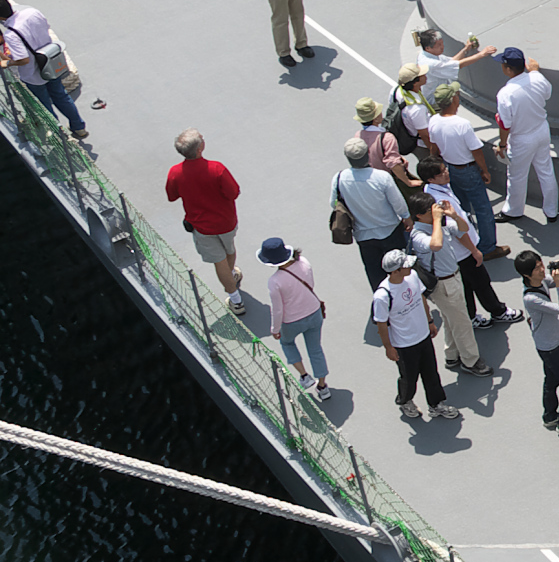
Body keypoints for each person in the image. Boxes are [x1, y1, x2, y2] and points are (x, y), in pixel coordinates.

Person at [414, 158, 511, 371]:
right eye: (441, 172)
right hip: (447, 277)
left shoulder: (439, 196)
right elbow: (439, 242)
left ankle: (451, 355)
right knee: (462, 322)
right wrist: (472, 249)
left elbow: (460, 228)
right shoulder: (421, 233)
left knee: (452, 319)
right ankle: (471, 360)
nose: (447, 172)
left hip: (453, 271)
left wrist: (454, 216)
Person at [167, 129, 245, 317]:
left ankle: (236, 301)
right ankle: (231, 277)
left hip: (202, 228)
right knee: (229, 251)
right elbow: (233, 192)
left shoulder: (175, 172)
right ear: (200, 149)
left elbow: (172, 196)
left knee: (219, 261)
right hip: (226, 222)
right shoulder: (217, 169)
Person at [511, 250, 559, 437]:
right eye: (537, 268)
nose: (542, 270)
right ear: (526, 275)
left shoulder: (542, 281)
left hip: (552, 342)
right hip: (550, 348)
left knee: (551, 380)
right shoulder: (531, 299)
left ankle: (550, 415)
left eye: (541, 265)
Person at [427, 83, 505, 261]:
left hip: (450, 169)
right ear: (453, 99)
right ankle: (487, 247)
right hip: (468, 170)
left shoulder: (433, 121)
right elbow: (476, 151)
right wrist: (484, 171)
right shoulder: (462, 124)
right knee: (483, 210)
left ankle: (468, 242)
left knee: (461, 208)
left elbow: (434, 148)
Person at [253, 237, 338, 398]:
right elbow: (311, 284)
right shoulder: (304, 262)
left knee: (287, 343)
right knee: (315, 349)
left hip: (291, 321)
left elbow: (277, 310)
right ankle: (323, 387)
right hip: (314, 312)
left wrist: (275, 329)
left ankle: (305, 376)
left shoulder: (274, 281)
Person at [375, 249, 453, 421]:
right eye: (405, 265)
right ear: (395, 271)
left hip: (423, 336)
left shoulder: (413, 276)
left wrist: (430, 321)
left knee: (431, 373)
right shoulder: (382, 296)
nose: (410, 266)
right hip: (404, 345)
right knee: (409, 378)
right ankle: (405, 401)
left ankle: (436, 404)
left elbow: (421, 299)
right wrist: (389, 348)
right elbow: (381, 324)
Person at [0, 0, 87, 139]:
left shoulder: (11, 34)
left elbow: (24, 59)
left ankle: (61, 137)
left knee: (44, 106)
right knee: (61, 97)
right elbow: (46, 27)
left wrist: (7, 63)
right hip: (50, 64)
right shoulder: (32, 12)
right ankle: (79, 128)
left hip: (33, 76)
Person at [333, 137, 412, 291]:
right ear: (368, 153)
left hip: (364, 236)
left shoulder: (339, 178)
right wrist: (407, 218)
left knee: (376, 276)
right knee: (401, 271)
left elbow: (334, 203)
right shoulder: (382, 177)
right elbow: (398, 203)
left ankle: (384, 300)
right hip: (391, 231)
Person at [492, 48, 558, 224]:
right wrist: (535, 71)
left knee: (516, 176)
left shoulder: (506, 93)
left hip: (521, 139)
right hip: (541, 130)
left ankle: (513, 211)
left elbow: (505, 124)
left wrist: (502, 145)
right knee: (546, 171)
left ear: (508, 69)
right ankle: (551, 211)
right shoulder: (537, 78)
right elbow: (547, 94)